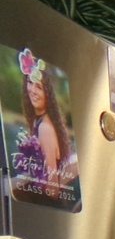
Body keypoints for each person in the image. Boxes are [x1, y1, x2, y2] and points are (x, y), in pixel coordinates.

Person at [18, 50, 75, 188]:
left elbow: (52, 185)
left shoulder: (45, 128)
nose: (32, 90)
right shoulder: (38, 121)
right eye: (30, 83)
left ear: (47, 94)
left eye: (39, 87)